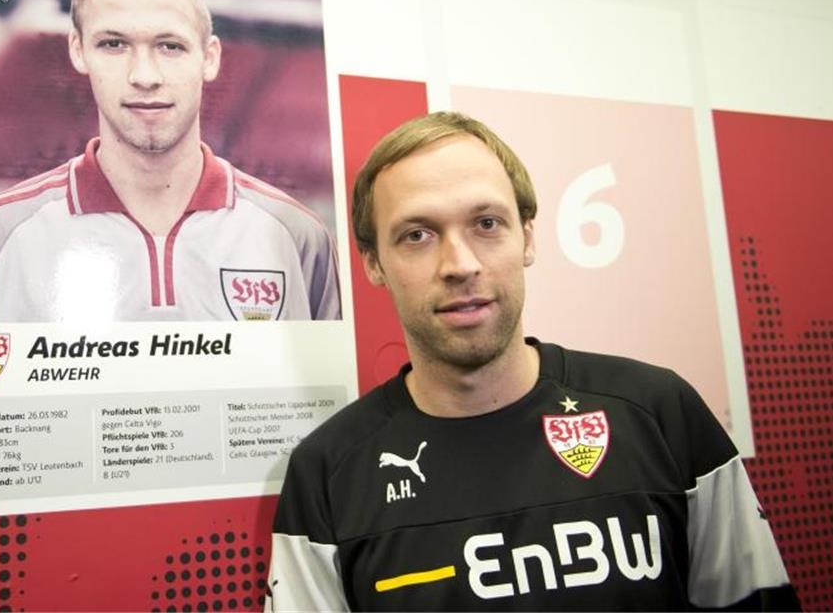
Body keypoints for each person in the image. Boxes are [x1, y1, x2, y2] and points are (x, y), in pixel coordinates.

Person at [267, 112, 798, 610]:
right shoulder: (327, 475)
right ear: (374, 263)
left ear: (528, 236)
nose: (461, 264)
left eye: (487, 223)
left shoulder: (660, 413)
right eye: (418, 235)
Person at [0, 0, 341, 323]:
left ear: (209, 58)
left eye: (170, 46)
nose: (144, 75)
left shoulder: (297, 237)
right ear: (77, 50)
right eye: (114, 44)